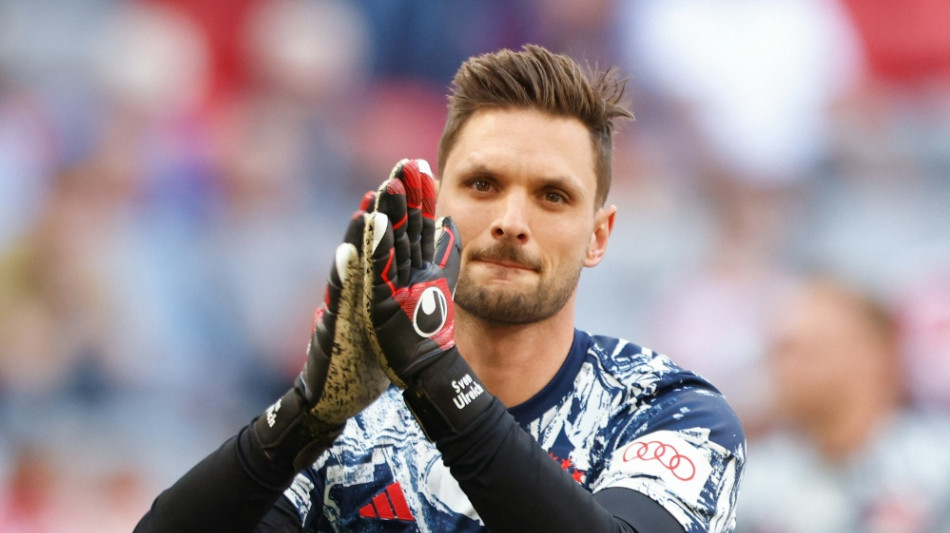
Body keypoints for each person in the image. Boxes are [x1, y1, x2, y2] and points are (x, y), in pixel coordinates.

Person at [134, 44, 745, 533]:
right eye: (483, 185)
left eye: (552, 196)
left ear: (599, 235)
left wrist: (436, 375)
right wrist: (304, 416)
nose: (511, 220)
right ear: (434, 209)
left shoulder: (668, 412)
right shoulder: (350, 429)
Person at [736, 276, 950, 532]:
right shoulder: (758, 483)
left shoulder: (937, 471)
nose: (780, 368)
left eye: (801, 350)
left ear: (871, 355)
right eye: (776, 351)